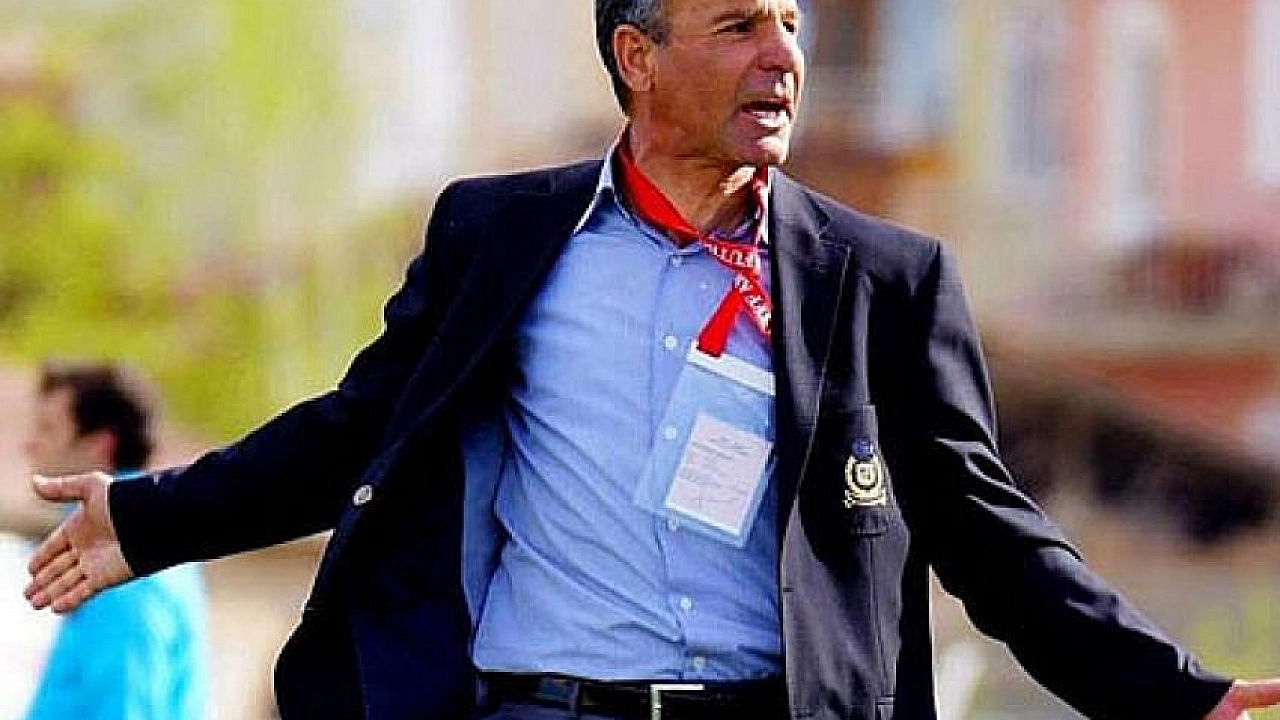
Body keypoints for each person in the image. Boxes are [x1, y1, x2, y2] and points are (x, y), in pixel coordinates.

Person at [22, 1, 1280, 718]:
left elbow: (987, 531)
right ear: (638, 58)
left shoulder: (882, 281)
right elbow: (355, 428)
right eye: (737, 26)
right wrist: (149, 516)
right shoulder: (498, 236)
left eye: (790, 23)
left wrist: (1170, 693)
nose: (782, 57)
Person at [21, 361, 207, 720]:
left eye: (48, 429)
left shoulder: (122, 562)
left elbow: (126, 708)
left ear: (100, 445)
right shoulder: (145, 540)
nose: (30, 444)